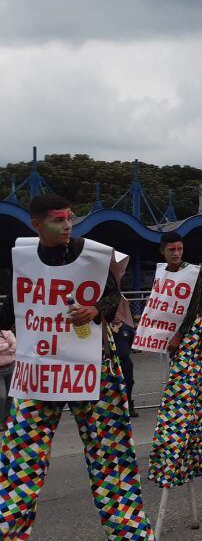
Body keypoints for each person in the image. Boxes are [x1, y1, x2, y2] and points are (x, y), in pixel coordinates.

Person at [0, 193, 155, 539]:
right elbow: (12, 309)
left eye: (70, 217)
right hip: (38, 371)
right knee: (21, 458)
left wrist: (96, 308)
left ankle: (130, 533)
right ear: (36, 225)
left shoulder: (95, 254)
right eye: (59, 219)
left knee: (110, 456)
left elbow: (115, 295)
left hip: (93, 366)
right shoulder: (23, 258)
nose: (68, 225)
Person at [147, 232, 202, 490]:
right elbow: (158, 305)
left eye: (180, 249)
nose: (176, 253)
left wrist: (178, 335)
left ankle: (173, 439)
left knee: (183, 387)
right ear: (162, 251)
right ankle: (192, 448)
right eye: (172, 249)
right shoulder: (163, 274)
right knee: (190, 394)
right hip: (171, 331)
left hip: (187, 333)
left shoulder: (193, 273)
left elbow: (193, 307)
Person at [110, 320, 138, 417]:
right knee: (112, 384)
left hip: (125, 361)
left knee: (129, 383)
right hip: (112, 362)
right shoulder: (107, 329)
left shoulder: (128, 329)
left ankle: (129, 406)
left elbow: (131, 342)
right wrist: (114, 333)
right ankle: (115, 407)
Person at [0, 328, 14, 427]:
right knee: (2, 396)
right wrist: (6, 346)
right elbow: (10, 348)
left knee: (11, 395)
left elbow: (14, 347)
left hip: (10, 368)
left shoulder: (7, 333)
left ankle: (6, 420)